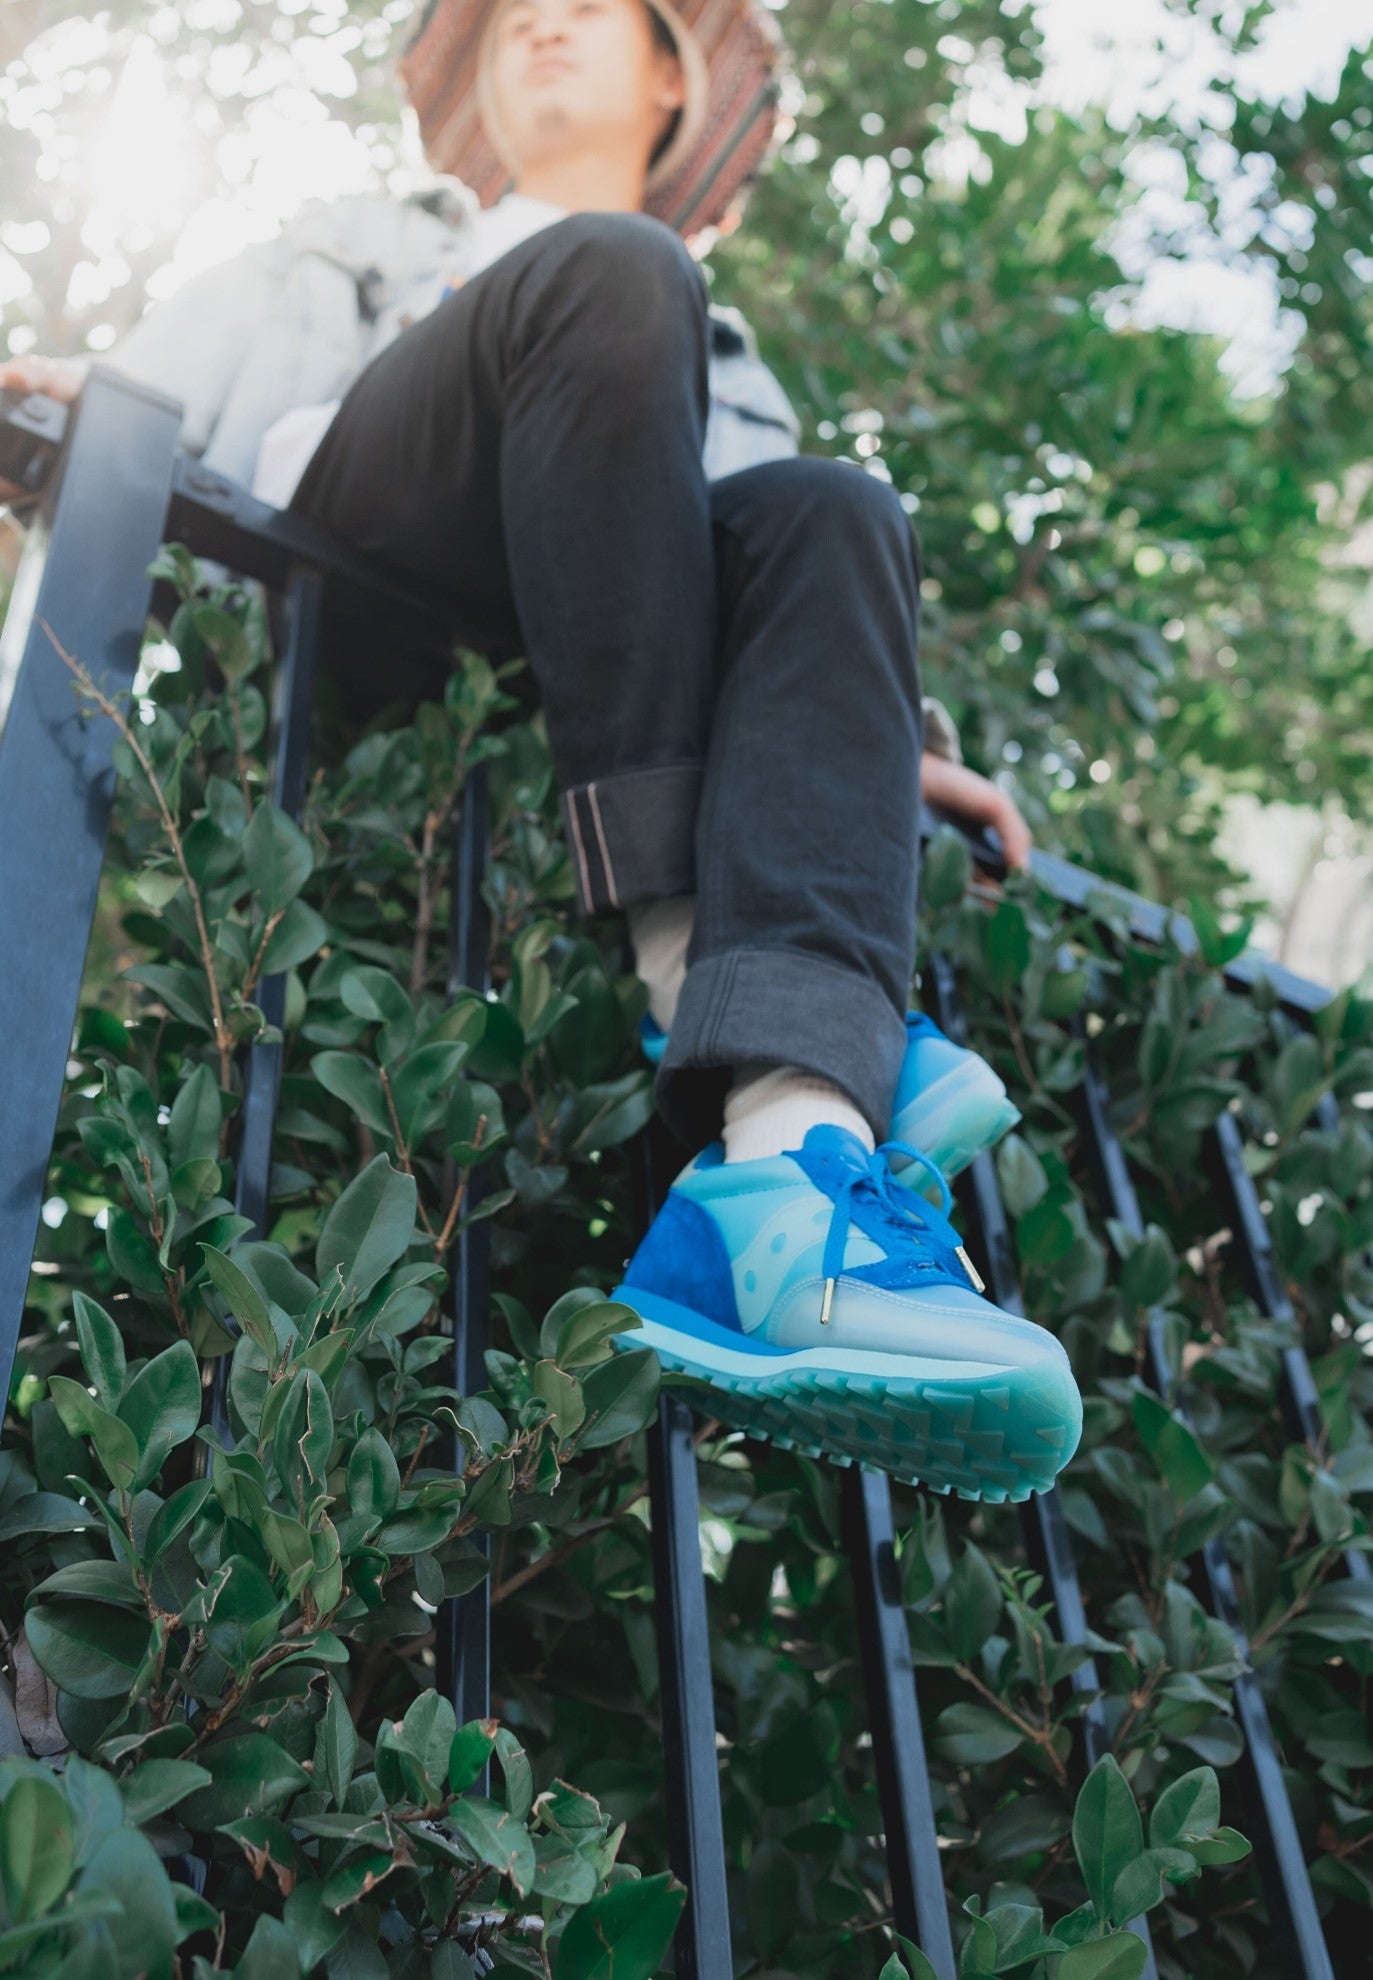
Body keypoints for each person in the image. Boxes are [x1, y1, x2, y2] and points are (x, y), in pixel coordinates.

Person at [0, 0, 1080, 1499]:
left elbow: (780, 585)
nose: (541, 25)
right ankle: (731, 972)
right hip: (361, 577)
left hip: (586, 655)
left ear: (668, 74)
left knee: (838, 509)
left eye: (590, 6)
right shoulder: (371, 232)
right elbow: (165, 368)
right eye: (513, 17)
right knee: (616, 272)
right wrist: (89, 389)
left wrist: (888, 737)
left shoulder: (726, 355)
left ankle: (780, 1167)